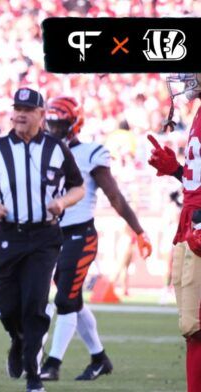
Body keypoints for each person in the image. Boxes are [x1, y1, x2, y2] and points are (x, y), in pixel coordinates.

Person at [0, 87, 85, 392]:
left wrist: (63, 203)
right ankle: (18, 339)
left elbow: (79, 187)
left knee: (35, 303)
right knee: (8, 306)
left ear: (41, 114)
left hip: (44, 236)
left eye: (27, 109)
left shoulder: (56, 148)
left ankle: (34, 376)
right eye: (17, 108)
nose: (20, 114)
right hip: (8, 233)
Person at [39, 96, 152, 382]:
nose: (53, 128)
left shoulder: (91, 152)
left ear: (74, 123)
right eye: (50, 122)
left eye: (59, 123)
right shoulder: (43, 151)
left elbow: (114, 196)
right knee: (73, 299)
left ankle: (52, 364)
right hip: (53, 236)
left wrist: (138, 230)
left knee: (64, 299)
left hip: (81, 235)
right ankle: (100, 358)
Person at [147, 73, 201, 392]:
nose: (188, 75)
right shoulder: (197, 114)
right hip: (190, 222)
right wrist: (176, 171)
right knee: (193, 328)